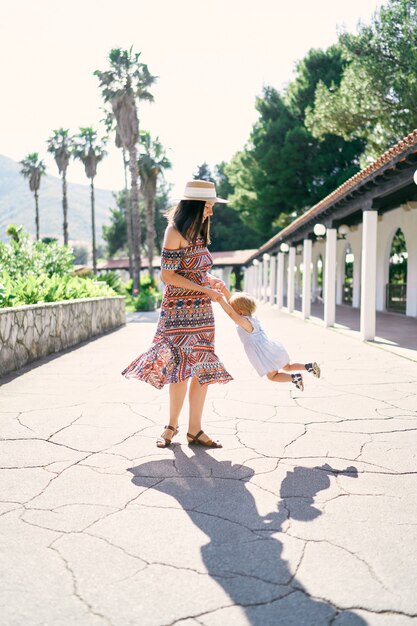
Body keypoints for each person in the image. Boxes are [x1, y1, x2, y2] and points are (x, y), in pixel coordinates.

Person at [121, 180, 232, 448]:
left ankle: (195, 430)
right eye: (208, 206)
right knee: (179, 370)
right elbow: (168, 276)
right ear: (194, 206)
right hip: (177, 312)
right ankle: (171, 426)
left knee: (202, 368)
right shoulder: (174, 232)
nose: (211, 212)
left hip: (202, 313)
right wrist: (204, 290)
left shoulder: (201, 233)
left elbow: (196, 271)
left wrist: (212, 281)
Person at [217, 289, 320, 391]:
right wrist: (224, 289)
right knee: (287, 367)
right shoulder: (252, 320)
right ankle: (308, 367)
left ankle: (296, 378)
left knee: (272, 376)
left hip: (266, 354)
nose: (230, 308)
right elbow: (231, 308)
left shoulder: (245, 323)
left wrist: (219, 299)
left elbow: (231, 313)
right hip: (271, 349)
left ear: (240, 312)